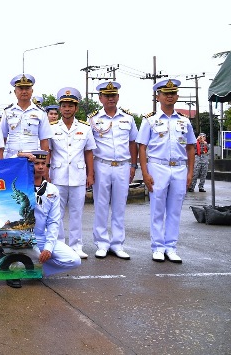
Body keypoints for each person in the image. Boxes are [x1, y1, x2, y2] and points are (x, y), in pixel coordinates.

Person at [137, 79, 195, 263]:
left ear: (177, 96)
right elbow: (142, 147)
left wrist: (190, 173)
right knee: (157, 209)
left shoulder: (185, 121)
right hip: (158, 166)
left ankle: (171, 247)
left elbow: (191, 147)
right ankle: (157, 247)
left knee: (175, 210)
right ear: (158, 97)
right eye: (165, 93)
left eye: (173, 93)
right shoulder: (150, 120)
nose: (169, 96)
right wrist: (145, 173)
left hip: (179, 167)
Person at [9, 150, 81, 286]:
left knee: (74, 260)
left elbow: (54, 222)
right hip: (20, 237)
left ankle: (35, 269)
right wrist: (20, 156)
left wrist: (48, 248)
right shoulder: (21, 186)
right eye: (36, 163)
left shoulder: (52, 190)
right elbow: (5, 167)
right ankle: (14, 272)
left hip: (40, 237)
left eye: (44, 163)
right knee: (9, 256)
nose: (41, 167)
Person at [88, 81, 138, 260]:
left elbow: (133, 143)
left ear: (118, 97)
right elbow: (88, 146)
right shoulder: (93, 119)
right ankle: (102, 243)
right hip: (101, 164)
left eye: (113, 95)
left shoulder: (128, 118)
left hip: (123, 166)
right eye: (107, 96)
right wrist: (90, 171)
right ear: (100, 98)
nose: (110, 99)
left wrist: (133, 165)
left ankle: (117, 244)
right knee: (101, 205)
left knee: (119, 206)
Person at [48, 87, 96, 259]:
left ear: (76, 108)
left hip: (78, 175)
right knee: (57, 214)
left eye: (70, 106)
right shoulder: (51, 127)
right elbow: (49, 151)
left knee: (77, 212)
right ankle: (59, 245)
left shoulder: (85, 127)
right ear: (60, 108)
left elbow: (89, 152)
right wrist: (47, 172)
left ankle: (76, 246)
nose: (67, 109)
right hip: (58, 176)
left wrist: (90, 174)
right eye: (64, 106)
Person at [0, 74, 53, 159]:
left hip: (33, 159)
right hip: (12, 158)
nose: (24, 91)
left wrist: (45, 165)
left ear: (32, 91)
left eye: (27, 88)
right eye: (21, 88)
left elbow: (44, 142)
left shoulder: (40, 113)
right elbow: (2, 139)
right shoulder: (7, 112)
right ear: (15, 92)